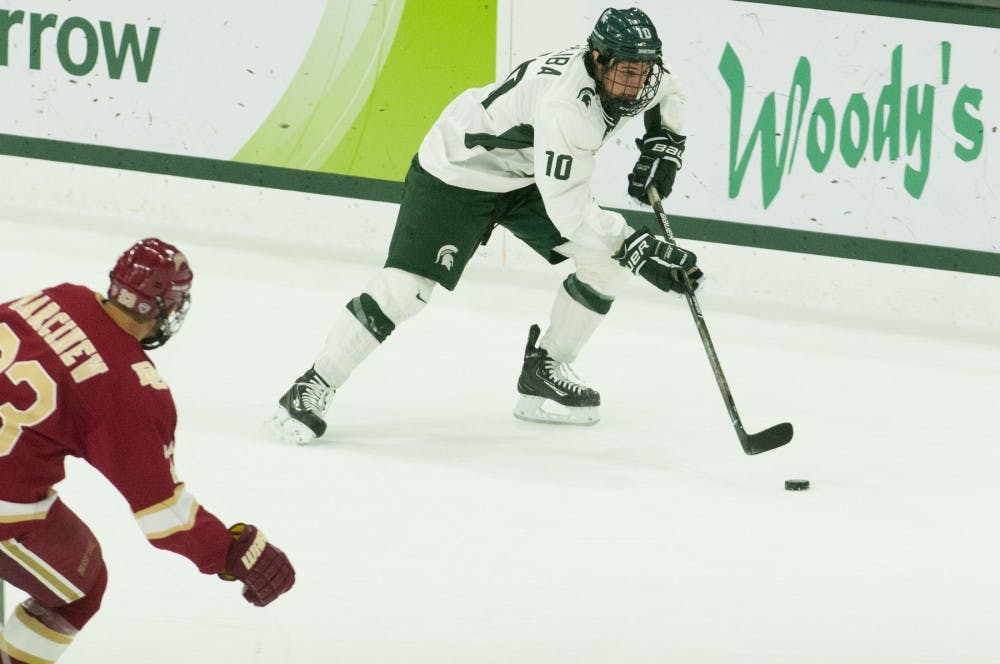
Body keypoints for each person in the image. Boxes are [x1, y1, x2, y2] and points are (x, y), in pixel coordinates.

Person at [272, 6, 703, 444]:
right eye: (627, 71)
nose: (637, 84)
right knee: (407, 290)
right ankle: (313, 384)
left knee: (604, 264)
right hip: (458, 170)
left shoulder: (638, 76)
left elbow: (671, 91)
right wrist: (635, 246)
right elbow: (570, 213)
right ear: (598, 60)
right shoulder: (566, 107)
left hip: (524, 174)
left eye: (644, 70)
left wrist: (667, 140)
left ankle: (544, 369)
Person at [0, 238, 295, 663]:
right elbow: (162, 514)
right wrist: (229, 553)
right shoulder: (129, 387)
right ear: (165, 308)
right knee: (80, 588)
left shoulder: (61, 296)